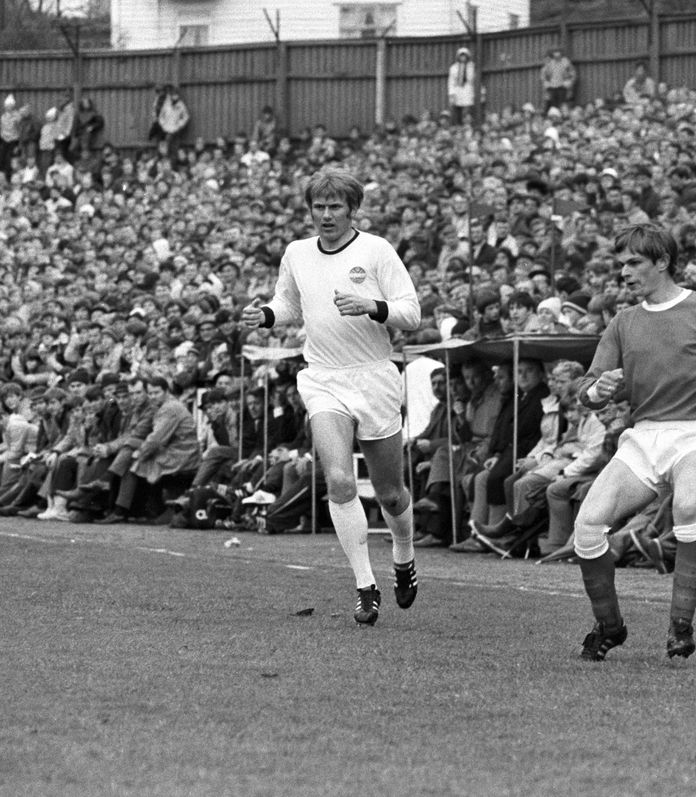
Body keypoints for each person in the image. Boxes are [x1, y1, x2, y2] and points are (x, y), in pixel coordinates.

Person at [571, 224, 696, 661]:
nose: (624, 272)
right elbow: (588, 389)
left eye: (633, 263)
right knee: (587, 527)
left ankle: (680, 626)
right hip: (643, 438)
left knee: (686, 507)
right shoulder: (624, 322)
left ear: (662, 261)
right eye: (621, 263)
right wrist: (597, 391)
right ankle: (610, 626)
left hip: (695, 432)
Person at [242, 168, 422, 626]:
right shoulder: (297, 253)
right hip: (322, 378)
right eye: (318, 207)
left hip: (374, 377)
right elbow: (288, 304)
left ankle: (403, 555)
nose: (325, 215)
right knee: (339, 481)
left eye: (335, 207)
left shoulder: (376, 250)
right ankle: (365, 586)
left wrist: (372, 307)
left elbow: (411, 313)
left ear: (352, 209)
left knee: (391, 493)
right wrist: (264, 314)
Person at [448, 48, 476, 127]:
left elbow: (471, 78)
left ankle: (467, 124)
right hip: (457, 89)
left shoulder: (471, 66)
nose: (463, 58)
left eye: (465, 56)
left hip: (467, 89)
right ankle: (458, 125)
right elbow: (451, 81)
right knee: (456, 109)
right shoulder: (453, 67)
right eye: (461, 56)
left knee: (467, 109)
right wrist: (451, 94)